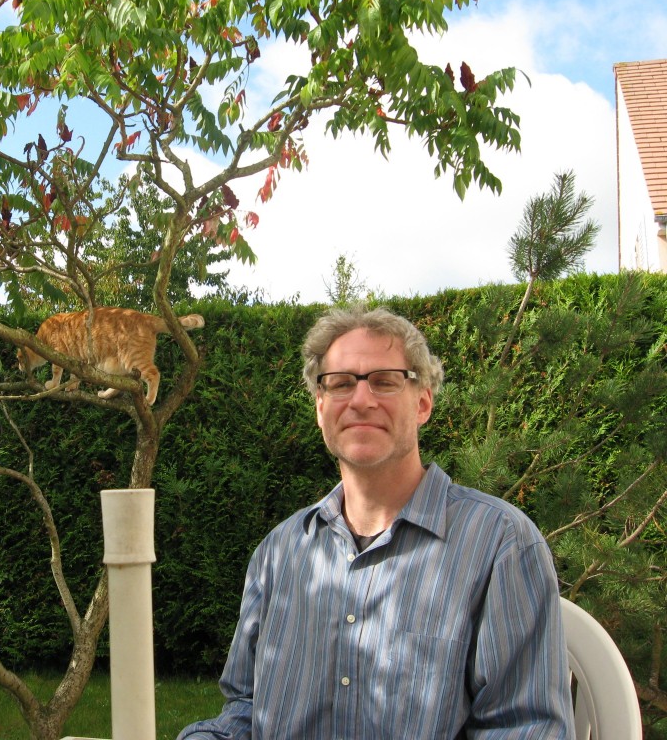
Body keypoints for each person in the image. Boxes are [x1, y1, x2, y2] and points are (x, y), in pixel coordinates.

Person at [177, 305, 574, 739]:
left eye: (384, 381)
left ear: (423, 403)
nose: (361, 400)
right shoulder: (279, 552)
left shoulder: (501, 546)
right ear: (320, 407)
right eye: (341, 383)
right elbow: (247, 709)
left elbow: (526, 729)